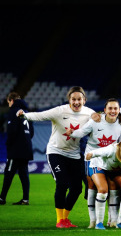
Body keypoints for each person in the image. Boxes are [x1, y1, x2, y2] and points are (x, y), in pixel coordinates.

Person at [18, 86, 94, 228]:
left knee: (77, 188)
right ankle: (60, 220)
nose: (76, 102)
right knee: (62, 183)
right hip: (56, 152)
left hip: (75, 155)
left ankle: (65, 219)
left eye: (79, 99)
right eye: (73, 99)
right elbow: (40, 115)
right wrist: (24, 115)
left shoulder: (90, 114)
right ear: (69, 100)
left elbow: (102, 123)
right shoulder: (59, 111)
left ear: (84, 100)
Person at [66, 98, 121, 228]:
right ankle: (93, 221)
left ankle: (112, 220)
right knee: (93, 187)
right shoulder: (95, 121)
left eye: (115, 108)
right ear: (104, 110)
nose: (113, 111)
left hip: (110, 159)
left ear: (119, 110)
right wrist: (72, 132)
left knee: (113, 187)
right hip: (92, 158)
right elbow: (82, 132)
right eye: (110, 108)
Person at [85, 131, 121, 229]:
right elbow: (99, 152)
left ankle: (119, 222)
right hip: (99, 165)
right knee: (103, 190)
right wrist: (90, 154)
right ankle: (99, 223)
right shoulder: (112, 149)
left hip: (115, 169)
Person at [0, 92, 34, 206]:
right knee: (24, 173)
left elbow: (12, 131)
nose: (8, 104)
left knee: (8, 173)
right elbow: (32, 133)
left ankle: (2, 198)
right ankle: (25, 199)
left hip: (16, 149)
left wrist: (9, 144)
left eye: (8, 102)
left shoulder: (13, 112)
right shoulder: (27, 113)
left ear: (11, 101)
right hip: (27, 148)